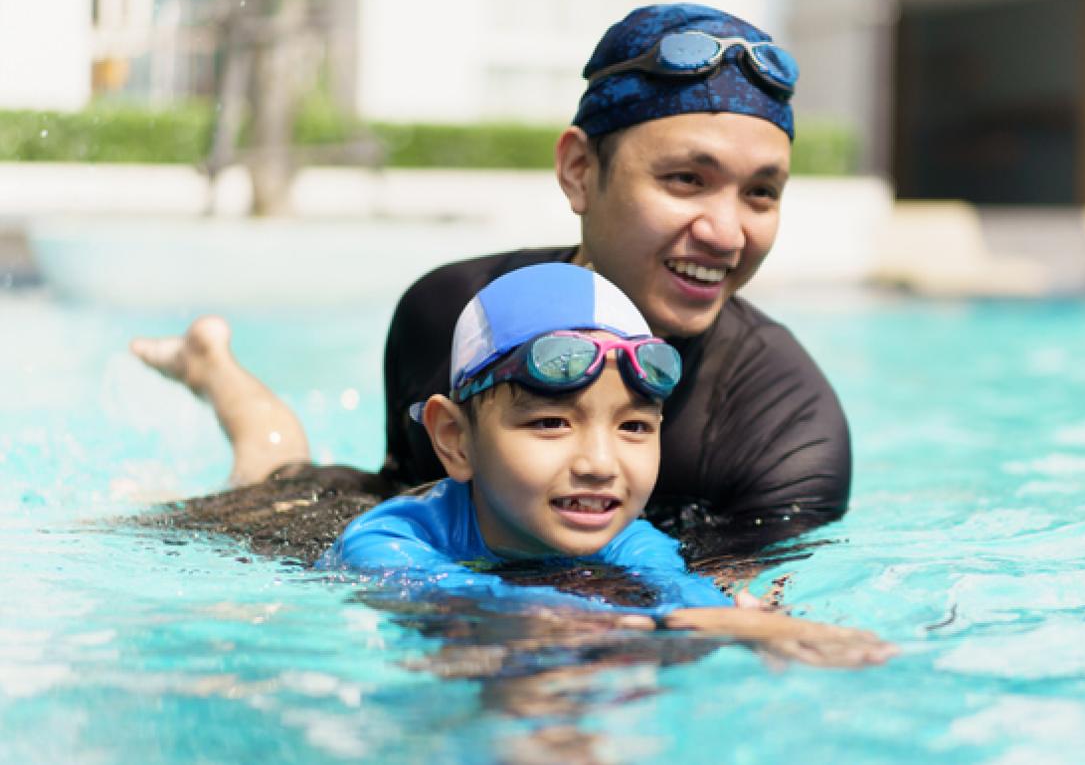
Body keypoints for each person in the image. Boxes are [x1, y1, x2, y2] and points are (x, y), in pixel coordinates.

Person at [132, 1, 849, 564]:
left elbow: (718, 623)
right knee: (274, 486)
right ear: (578, 171)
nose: (727, 232)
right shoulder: (449, 311)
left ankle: (210, 360)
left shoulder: (785, 431)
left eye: (760, 193)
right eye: (685, 179)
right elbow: (401, 501)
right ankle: (216, 367)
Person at [147, 262, 893, 667]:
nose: (600, 462)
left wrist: (744, 618)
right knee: (271, 462)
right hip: (291, 521)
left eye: (634, 425)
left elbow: (681, 587)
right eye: (550, 422)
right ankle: (213, 366)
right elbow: (481, 609)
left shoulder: (622, 537)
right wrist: (677, 622)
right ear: (455, 439)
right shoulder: (383, 544)